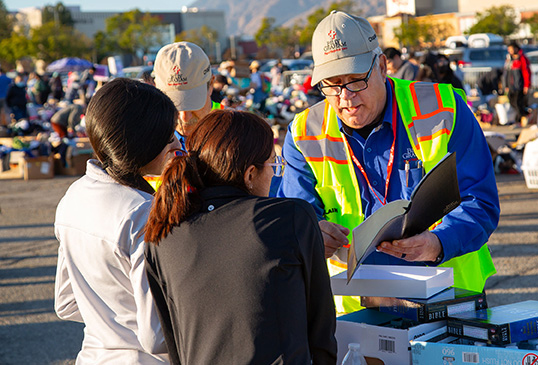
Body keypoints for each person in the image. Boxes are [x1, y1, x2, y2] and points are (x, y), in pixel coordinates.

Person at [277, 11, 500, 313]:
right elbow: (293, 218)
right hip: (355, 308)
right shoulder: (304, 132)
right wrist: (312, 234)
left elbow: (480, 201)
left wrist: (438, 243)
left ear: (381, 66)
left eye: (356, 81)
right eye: (331, 84)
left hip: (448, 296)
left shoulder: (444, 109)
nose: (345, 98)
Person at [143, 109, 337, 364]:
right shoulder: (290, 217)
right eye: (273, 164)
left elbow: (174, 341)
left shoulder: (162, 232)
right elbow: (321, 328)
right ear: (249, 174)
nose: (274, 174)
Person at [54, 78, 180, 363]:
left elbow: (66, 303)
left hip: (92, 355)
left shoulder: (74, 196)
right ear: (143, 141)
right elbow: (155, 336)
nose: (177, 144)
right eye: (169, 136)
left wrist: (108, 319)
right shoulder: (143, 213)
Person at [154, 41, 218, 152]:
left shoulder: (238, 137)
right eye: (174, 105)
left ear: (211, 85)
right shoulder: (148, 144)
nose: (184, 117)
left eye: (193, 103)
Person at [504, 42, 531, 125]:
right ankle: (526, 113)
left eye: (511, 49)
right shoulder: (509, 59)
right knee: (511, 101)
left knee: (517, 102)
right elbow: (506, 73)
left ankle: (518, 121)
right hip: (511, 85)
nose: (510, 51)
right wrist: (506, 85)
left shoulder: (522, 58)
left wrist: (526, 85)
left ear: (516, 48)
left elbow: (526, 72)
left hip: (519, 85)